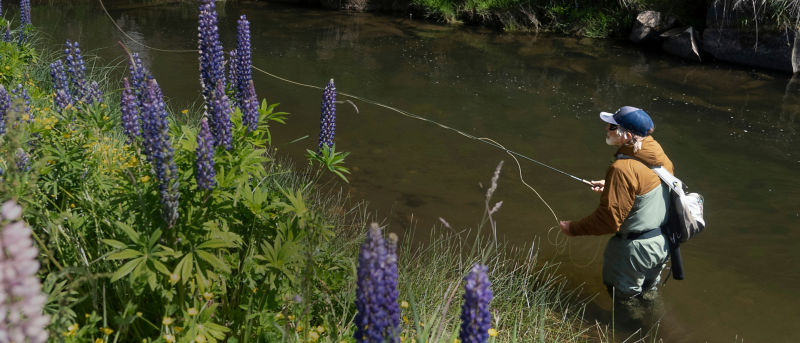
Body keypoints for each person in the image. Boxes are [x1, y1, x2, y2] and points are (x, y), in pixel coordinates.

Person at [559, 106, 673, 307]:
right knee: (649, 295)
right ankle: (657, 330)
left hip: (634, 251)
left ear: (627, 135)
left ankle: (631, 333)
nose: (606, 129)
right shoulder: (658, 157)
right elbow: (646, 187)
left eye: (612, 126)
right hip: (662, 243)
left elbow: (608, 221)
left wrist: (573, 229)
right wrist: (612, 187)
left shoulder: (622, 169)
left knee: (624, 301)